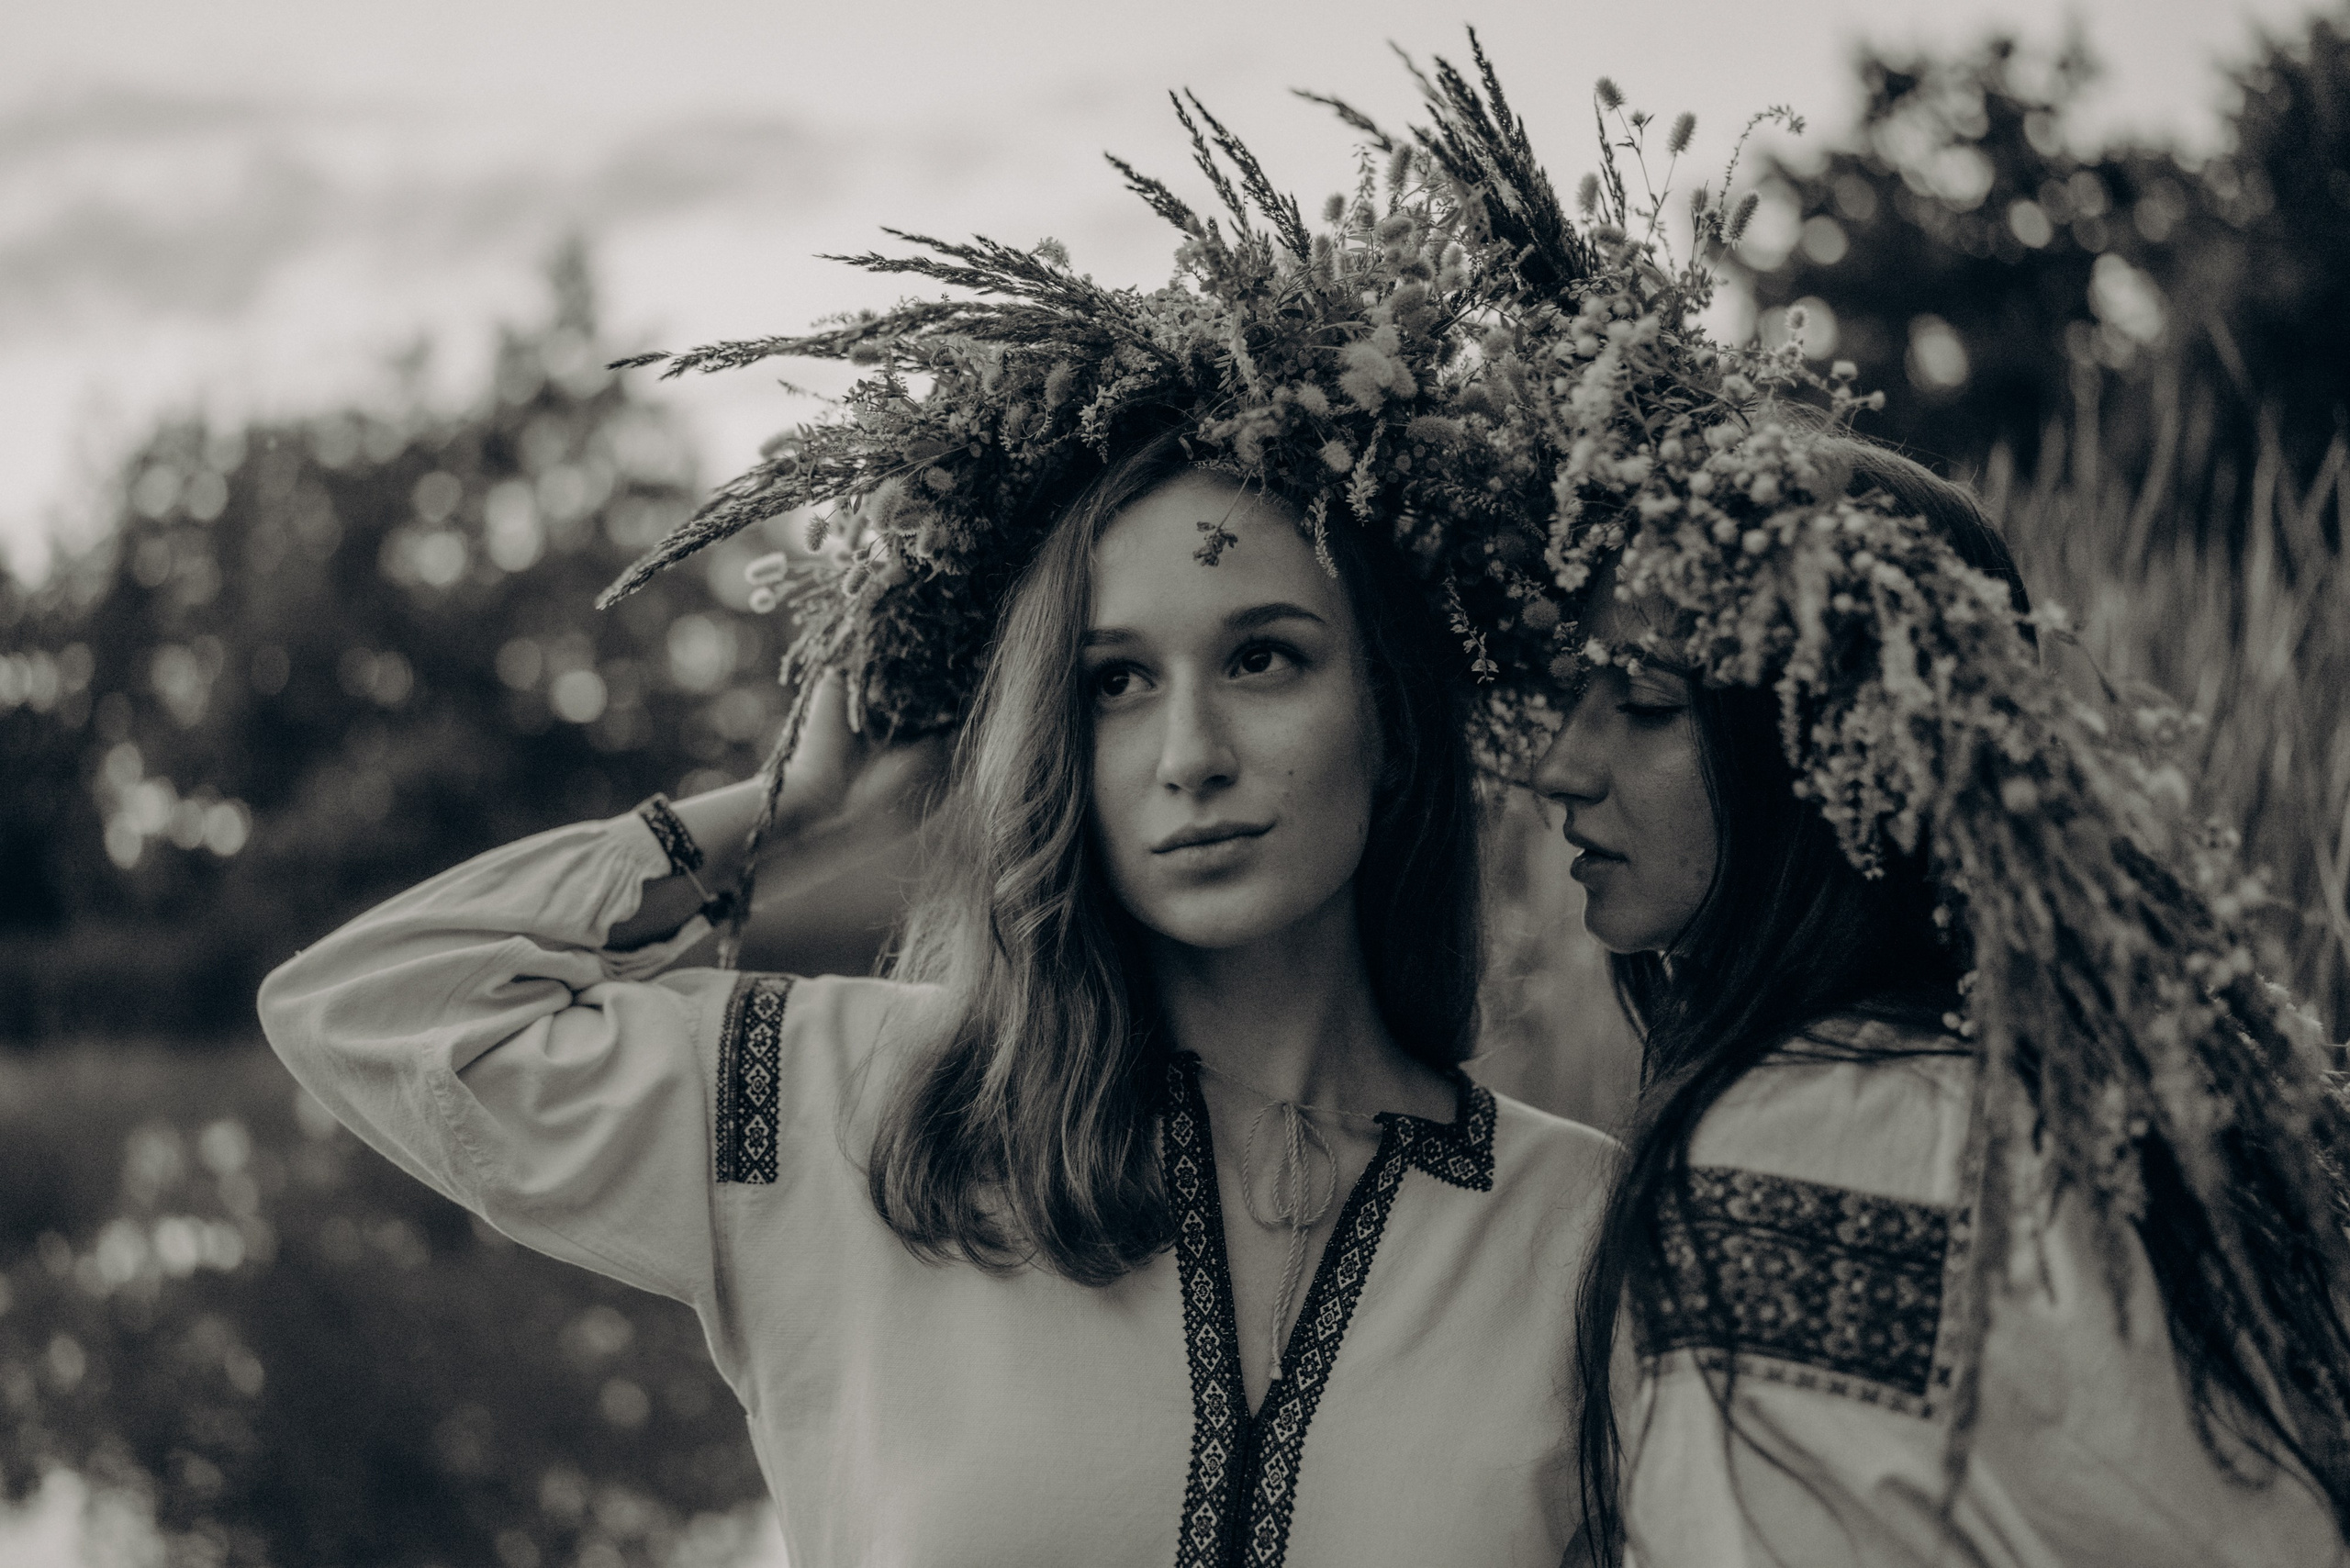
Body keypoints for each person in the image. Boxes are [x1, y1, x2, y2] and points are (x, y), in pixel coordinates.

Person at [259, 96, 1625, 1561]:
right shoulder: (855, 1115)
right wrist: (795, 809)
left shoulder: (1583, 1226)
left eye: (1264, 658)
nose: (1190, 756)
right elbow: (370, 1007)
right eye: (1112, 685)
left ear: (1397, 721)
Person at [1527, 424, 2350, 1566]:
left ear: (1823, 745)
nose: (1560, 766)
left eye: (1648, 705)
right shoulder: (2115, 1114)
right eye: (1572, 694)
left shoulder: (1786, 1139)